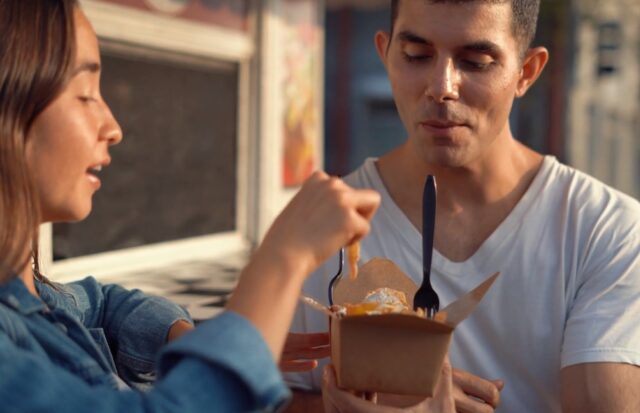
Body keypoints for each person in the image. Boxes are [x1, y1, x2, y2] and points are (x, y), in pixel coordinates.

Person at [0, 0, 457, 411]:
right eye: (85, 95)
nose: (113, 126)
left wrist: (211, 340)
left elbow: (100, 305)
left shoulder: (34, 299)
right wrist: (280, 260)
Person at [286, 0, 640, 412]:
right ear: (385, 53)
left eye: (476, 61)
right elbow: (263, 396)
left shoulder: (602, 229)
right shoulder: (318, 225)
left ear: (526, 72)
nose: (441, 85)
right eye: (416, 55)